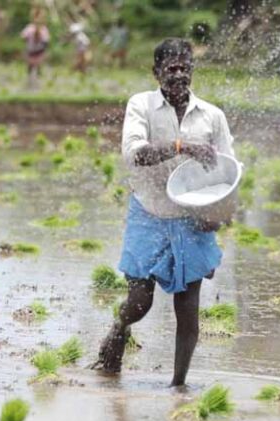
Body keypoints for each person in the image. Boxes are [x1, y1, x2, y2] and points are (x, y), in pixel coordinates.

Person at [90, 38, 236, 387]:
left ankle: (178, 386)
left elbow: (229, 172)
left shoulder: (212, 116)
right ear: (156, 72)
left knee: (188, 313)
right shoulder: (141, 105)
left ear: (192, 71)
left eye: (185, 67)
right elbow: (134, 154)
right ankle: (119, 328)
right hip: (150, 213)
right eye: (171, 68)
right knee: (140, 302)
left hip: (192, 220)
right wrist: (181, 147)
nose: (179, 74)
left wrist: (221, 214)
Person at [20, 9, 50, 84]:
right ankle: (30, 82)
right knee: (30, 68)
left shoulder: (43, 29)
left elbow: (46, 42)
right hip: (31, 51)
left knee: (37, 68)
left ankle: (37, 83)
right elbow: (23, 37)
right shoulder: (30, 28)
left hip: (38, 52)